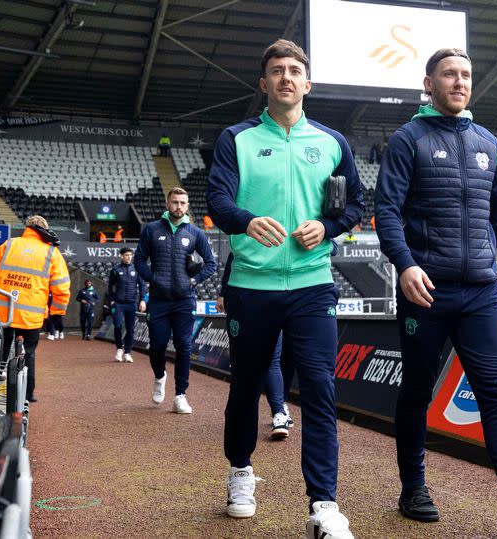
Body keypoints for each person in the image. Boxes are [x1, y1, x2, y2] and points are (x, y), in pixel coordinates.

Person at [374, 48, 497, 538]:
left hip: (482, 291)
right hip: (427, 291)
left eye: (465, 75)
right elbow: (387, 212)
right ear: (428, 84)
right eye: (449, 75)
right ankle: (413, 486)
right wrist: (406, 266)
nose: (459, 82)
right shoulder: (407, 140)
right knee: (417, 390)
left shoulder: (488, 143)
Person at [207, 38, 364, 538]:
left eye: (295, 70)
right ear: (264, 83)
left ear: (307, 83)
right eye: (276, 71)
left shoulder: (333, 142)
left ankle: (323, 505)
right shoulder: (237, 138)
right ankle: (240, 472)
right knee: (247, 386)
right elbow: (216, 200)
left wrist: (329, 227)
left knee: (319, 387)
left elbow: (354, 206)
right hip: (250, 285)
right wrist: (247, 221)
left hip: (313, 284)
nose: (286, 78)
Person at [134, 187, 217, 414]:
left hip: (184, 300)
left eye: (182, 203)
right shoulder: (151, 230)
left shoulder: (195, 233)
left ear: (187, 206)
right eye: (174, 202)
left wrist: (193, 281)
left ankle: (180, 395)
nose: (178, 206)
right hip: (159, 301)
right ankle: (160, 376)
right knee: (158, 345)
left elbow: (211, 263)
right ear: (167, 203)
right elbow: (139, 261)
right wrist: (153, 278)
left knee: (184, 346)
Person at [0, 215, 70, 403]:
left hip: (2, 312)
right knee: (28, 352)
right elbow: (61, 287)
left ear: (27, 228)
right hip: (31, 316)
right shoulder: (51, 252)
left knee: (1, 349)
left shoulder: (9, 244)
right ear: (44, 229)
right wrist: (56, 312)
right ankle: (28, 394)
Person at [217, 253, 294, 439]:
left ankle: (279, 413)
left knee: (274, 361)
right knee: (246, 363)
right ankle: (246, 417)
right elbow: (233, 256)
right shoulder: (250, 229)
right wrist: (223, 293)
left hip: (281, 298)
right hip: (247, 299)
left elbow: (331, 247)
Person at [108, 247, 146, 364]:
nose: (129, 257)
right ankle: (119, 348)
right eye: (126, 255)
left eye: (130, 255)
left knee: (130, 329)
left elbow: (142, 286)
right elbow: (110, 286)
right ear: (121, 256)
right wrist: (112, 300)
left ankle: (127, 353)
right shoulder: (115, 269)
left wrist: (142, 300)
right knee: (118, 325)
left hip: (131, 303)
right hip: (118, 304)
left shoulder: (136, 269)